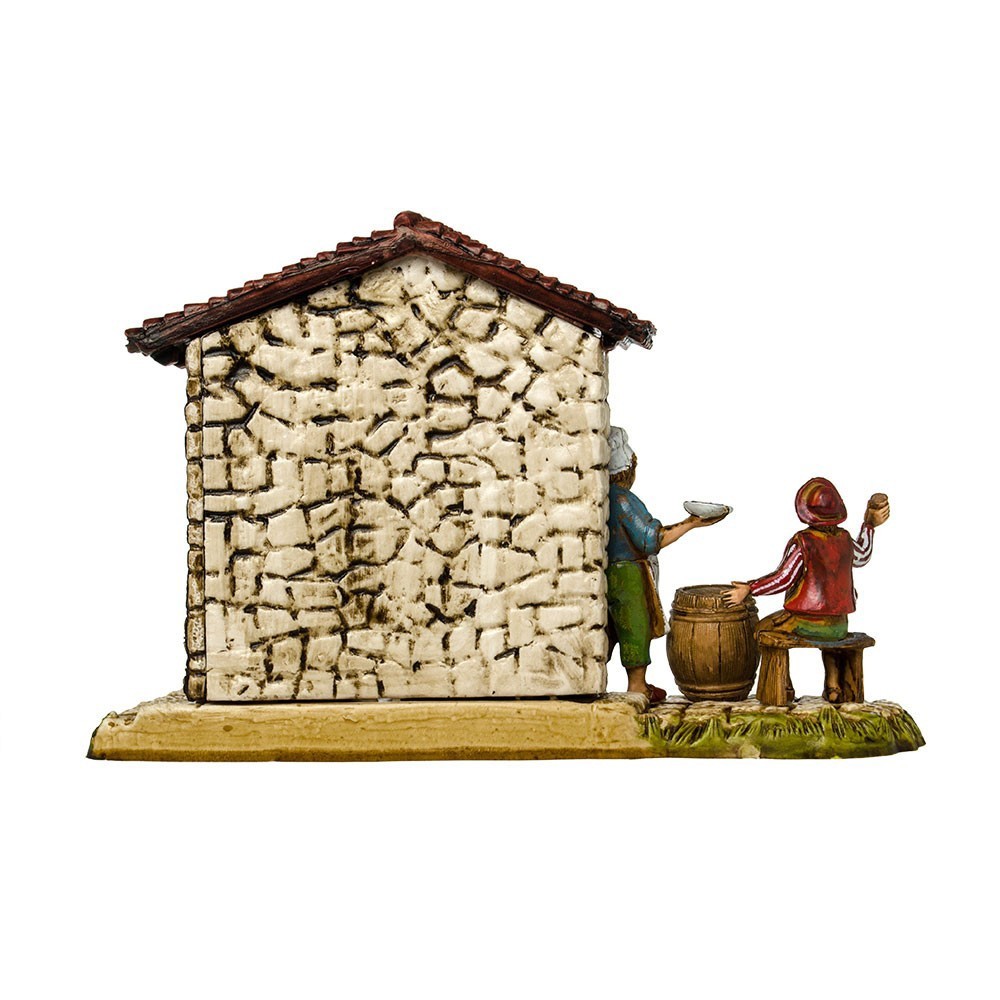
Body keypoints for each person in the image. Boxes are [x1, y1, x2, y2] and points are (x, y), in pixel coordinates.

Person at [606, 426, 722, 703]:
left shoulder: (602, 497)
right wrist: (692, 523)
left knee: (609, 629)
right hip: (627, 573)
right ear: (627, 468)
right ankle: (637, 686)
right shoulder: (622, 499)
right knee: (636, 625)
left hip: (609, 571)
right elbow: (650, 539)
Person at [723, 478, 890, 646]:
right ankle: (834, 664)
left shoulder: (804, 542)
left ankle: (773, 665)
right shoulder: (844, 538)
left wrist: (750, 588)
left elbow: (784, 579)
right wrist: (869, 525)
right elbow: (862, 556)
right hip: (839, 625)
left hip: (807, 623)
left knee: (761, 629)